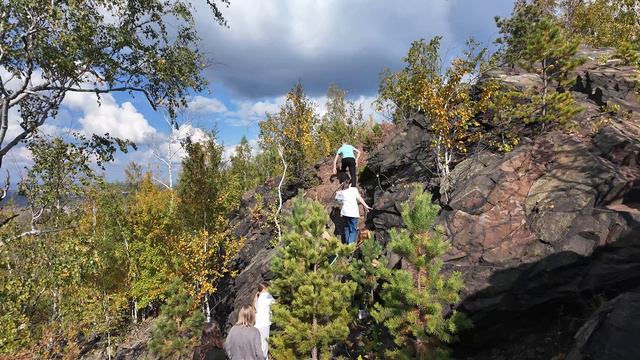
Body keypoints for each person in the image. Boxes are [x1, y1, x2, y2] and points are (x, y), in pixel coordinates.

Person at [336, 177, 372, 245]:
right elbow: (359, 198)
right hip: (353, 213)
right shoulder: (353, 189)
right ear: (350, 184)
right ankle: (350, 247)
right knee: (353, 231)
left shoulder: (341, 192)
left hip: (345, 213)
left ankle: (346, 245)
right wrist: (366, 205)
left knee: (347, 228)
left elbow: (339, 201)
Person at [253, 282, 275, 359]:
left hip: (257, 324)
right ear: (264, 289)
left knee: (257, 344)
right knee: (264, 345)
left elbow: (255, 309)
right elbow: (275, 304)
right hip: (264, 323)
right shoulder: (267, 296)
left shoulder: (257, 298)